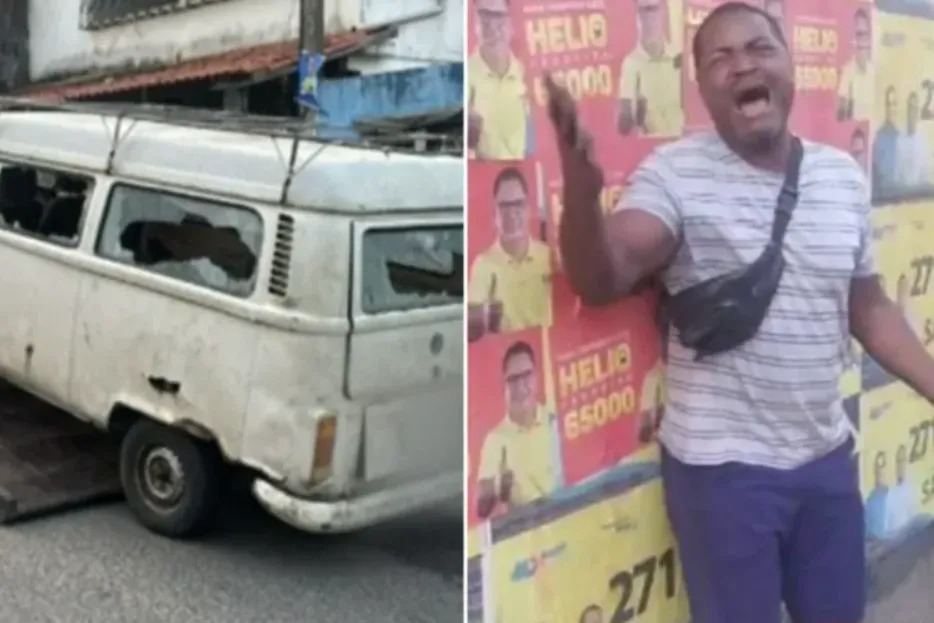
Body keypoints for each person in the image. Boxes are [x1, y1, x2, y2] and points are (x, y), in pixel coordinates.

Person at [545, 3, 934, 622]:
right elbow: (604, 276)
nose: (741, 65)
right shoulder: (674, 176)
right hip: (723, 478)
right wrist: (584, 196)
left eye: (758, 48)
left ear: (790, 64)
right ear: (700, 87)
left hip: (826, 462)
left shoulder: (840, 177)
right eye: (719, 58)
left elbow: (870, 306)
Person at [476, 341, 559, 518]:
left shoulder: (555, 422)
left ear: (536, 378)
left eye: (526, 376)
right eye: (513, 379)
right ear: (504, 385)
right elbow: (481, 509)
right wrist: (499, 486)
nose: (521, 387)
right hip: (524, 532)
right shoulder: (495, 439)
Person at [468, 167, 552, 337]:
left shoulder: (549, 257)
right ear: (495, 212)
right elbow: (471, 325)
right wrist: (484, 316)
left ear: (528, 209)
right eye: (504, 206)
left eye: (518, 204)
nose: (512, 214)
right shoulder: (483, 264)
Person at [468, 0, 532, 160]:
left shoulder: (524, 72)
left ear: (510, 24)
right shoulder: (467, 74)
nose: (492, 28)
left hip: (521, 171)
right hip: (485, 176)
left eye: (499, 18)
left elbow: (534, 136)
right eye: (485, 18)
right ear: (476, 22)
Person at [617, 0, 684, 138]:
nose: (648, 18)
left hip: (683, 146)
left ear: (663, 11)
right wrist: (636, 114)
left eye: (653, 9)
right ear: (637, 16)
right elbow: (623, 127)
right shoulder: (631, 63)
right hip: (651, 148)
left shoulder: (679, 57)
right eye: (643, 11)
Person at [837, 8, 873, 121]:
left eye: (865, 34)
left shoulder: (877, 71)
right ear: (853, 38)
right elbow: (841, 116)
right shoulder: (847, 72)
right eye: (859, 34)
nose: (862, 40)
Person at [896, 91, 931, 191]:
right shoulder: (899, 141)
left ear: (917, 112)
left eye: (915, 108)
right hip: (902, 195)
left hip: (918, 197)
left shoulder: (923, 142)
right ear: (907, 110)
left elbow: (926, 176)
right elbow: (898, 175)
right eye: (910, 108)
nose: (912, 112)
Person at [885, 444, 918, 537]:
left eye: (903, 460)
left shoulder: (912, 490)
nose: (900, 465)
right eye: (898, 461)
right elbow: (887, 526)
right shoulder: (891, 493)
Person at [873, 86, 901, 196]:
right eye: (889, 104)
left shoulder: (901, 137)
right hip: (884, 197)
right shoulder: (879, 138)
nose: (891, 108)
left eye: (894, 103)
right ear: (885, 107)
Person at [865, 450, 889, 540]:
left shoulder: (894, 497)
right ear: (874, 471)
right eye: (877, 467)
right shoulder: (869, 501)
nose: (880, 471)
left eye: (882, 466)